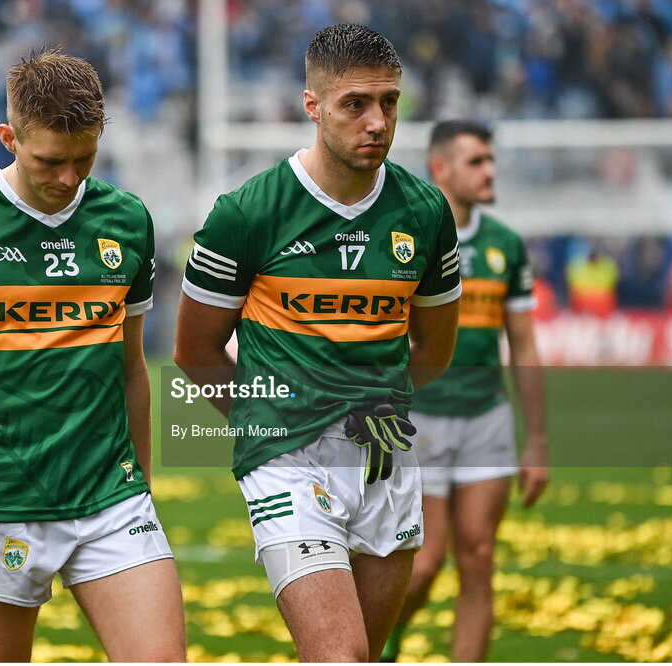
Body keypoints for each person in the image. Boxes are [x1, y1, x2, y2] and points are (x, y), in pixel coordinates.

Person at [174, 24, 461, 662]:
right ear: (313, 106)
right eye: (354, 104)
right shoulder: (246, 213)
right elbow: (195, 352)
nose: (377, 122)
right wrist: (267, 420)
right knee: (343, 656)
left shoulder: (425, 213)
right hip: (287, 457)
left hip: (385, 455)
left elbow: (436, 351)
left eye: (389, 103)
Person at [0, 50, 186, 662]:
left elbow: (131, 367)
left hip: (112, 498)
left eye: (84, 159)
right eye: (50, 161)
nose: (67, 178)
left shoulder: (127, 221)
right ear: (9, 137)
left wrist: (144, 487)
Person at [381, 120, 549, 662]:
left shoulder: (505, 246)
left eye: (490, 160)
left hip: (487, 419)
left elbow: (523, 346)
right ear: (441, 169)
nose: (489, 171)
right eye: (476, 161)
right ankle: (379, 639)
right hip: (421, 419)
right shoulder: (406, 239)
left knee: (478, 558)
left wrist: (538, 441)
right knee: (425, 562)